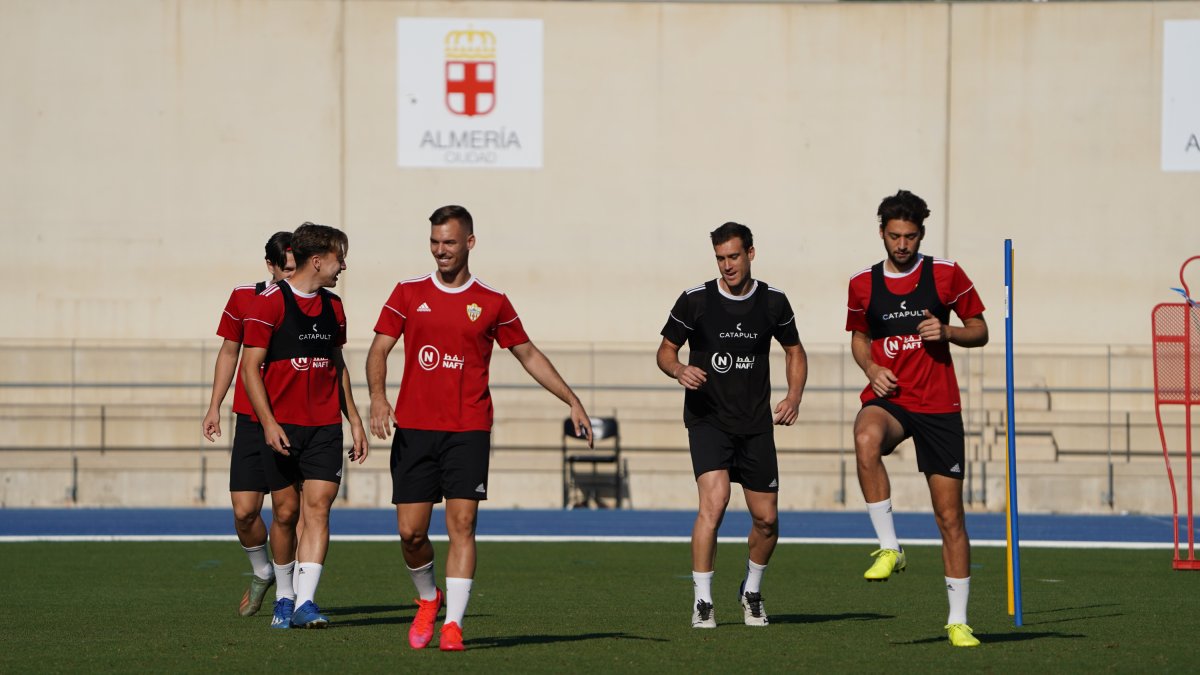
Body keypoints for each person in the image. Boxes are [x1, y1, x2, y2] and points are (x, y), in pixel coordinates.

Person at [366, 205, 593, 652]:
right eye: (434, 242)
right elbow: (378, 350)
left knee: (462, 524)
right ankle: (429, 599)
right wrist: (377, 395)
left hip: (468, 428)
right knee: (411, 534)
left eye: (449, 242)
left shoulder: (493, 301)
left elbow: (528, 354)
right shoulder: (408, 292)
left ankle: (453, 625)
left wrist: (571, 399)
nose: (440, 251)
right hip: (414, 428)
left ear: (469, 242)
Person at [845, 190, 988, 648]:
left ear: (920, 234)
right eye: (893, 236)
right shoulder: (862, 283)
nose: (901, 244)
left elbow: (980, 331)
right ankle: (890, 547)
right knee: (865, 437)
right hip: (892, 398)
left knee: (950, 519)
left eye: (909, 236)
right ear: (881, 233)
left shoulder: (946, 274)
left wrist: (948, 331)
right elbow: (860, 339)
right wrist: (871, 369)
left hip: (939, 406)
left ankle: (958, 620)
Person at [656, 222, 808, 629]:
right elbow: (665, 352)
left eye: (734, 257)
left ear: (751, 254)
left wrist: (794, 396)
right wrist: (678, 370)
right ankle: (703, 601)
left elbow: (795, 351)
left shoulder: (774, 302)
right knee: (715, 501)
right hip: (707, 419)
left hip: (756, 423)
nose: (727, 266)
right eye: (721, 259)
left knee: (767, 520)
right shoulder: (695, 301)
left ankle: (751, 591)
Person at [241, 222, 369, 629]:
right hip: (282, 428)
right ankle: (283, 595)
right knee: (284, 513)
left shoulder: (334, 308)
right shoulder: (269, 303)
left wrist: (356, 421)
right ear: (318, 260)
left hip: (324, 427)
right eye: (339, 258)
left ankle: (305, 602)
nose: (343, 267)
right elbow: (250, 368)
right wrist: (268, 423)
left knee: (318, 509)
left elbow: (338, 365)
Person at [201, 232, 296, 617]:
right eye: (286, 269)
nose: (293, 276)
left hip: (293, 421)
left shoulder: (310, 303)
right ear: (270, 266)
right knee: (244, 511)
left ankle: (292, 595)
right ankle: (262, 571)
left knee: (289, 513)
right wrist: (213, 406)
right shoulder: (245, 297)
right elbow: (229, 352)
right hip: (252, 420)